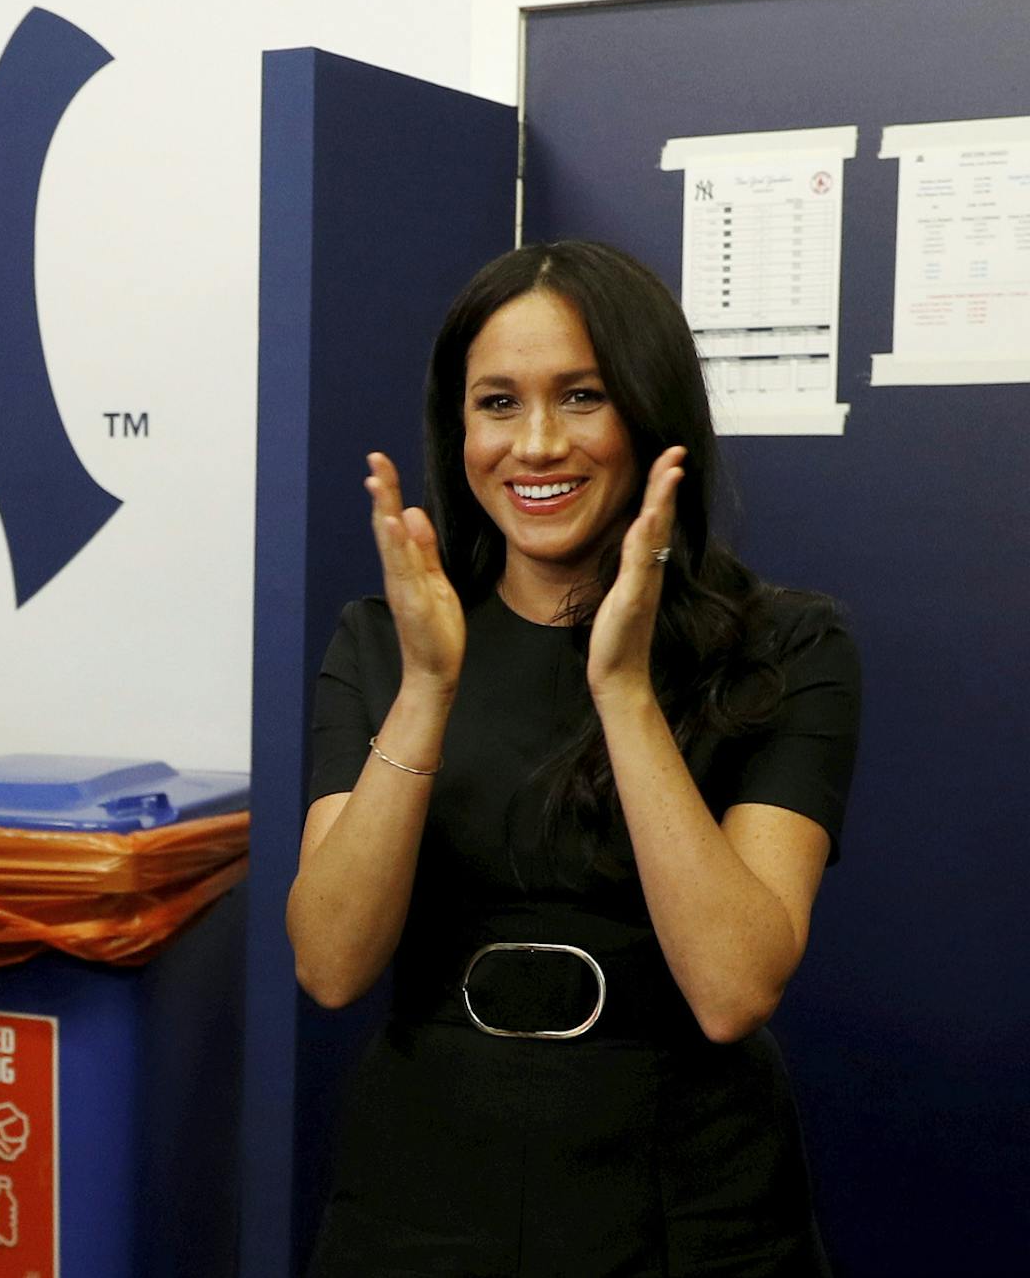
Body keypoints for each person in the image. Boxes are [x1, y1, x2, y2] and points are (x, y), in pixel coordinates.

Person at [285, 241, 860, 1275]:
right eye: (497, 403)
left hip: (689, 1194)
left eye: (582, 396)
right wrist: (425, 693)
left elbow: (734, 986)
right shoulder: (385, 644)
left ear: (649, 412)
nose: (536, 444)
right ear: (457, 427)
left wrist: (625, 692)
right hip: (424, 1181)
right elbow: (330, 964)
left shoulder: (786, 646)